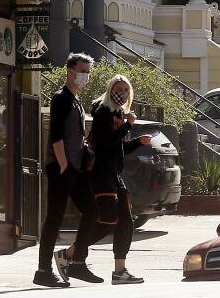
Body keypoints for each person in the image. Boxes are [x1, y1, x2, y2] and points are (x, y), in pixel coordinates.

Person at [69, 75, 151, 285]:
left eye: (125, 90)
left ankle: (119, 270)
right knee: (108, 221)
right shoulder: (104, 112)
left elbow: (118, 147)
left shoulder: (117, 114)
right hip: (101, 174)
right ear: (109, 89)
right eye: (118, 88)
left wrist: (138, 142)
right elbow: (106, 141)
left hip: (113, 174)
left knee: (124, 221)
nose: (122, 93)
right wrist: (128, 126)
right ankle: (71, 254)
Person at [36, 53, 100, 287]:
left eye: (88, 72)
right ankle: (43, 270)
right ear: (70, 71)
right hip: (63, 168)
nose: (85, 76)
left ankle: (77, 263)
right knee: (54, 218)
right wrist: (63, 164)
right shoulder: (60, 98)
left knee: (92, 211)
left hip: (76, 169)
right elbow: (56, 135)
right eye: (82, 71)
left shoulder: (76, 100)